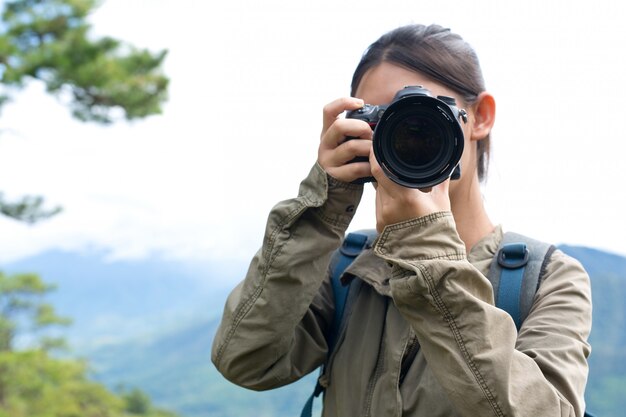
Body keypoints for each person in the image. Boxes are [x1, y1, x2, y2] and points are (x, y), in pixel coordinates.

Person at [211, 24, 592, 417]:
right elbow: (244, 360)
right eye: (383, 121)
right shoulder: (346, 264)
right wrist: (322, 207)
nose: (403, 137)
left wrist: (425, 248)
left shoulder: (547, 279)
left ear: (480, 117)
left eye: (425, 116)